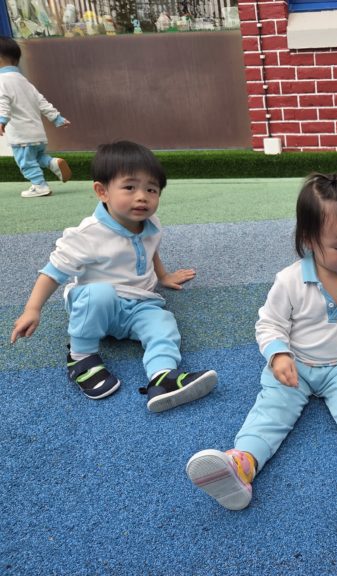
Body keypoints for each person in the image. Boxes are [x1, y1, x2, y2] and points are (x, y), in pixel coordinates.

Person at [186, 173, 337, 510]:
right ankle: (242, 464)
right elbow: (269, 323)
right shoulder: (290, 280)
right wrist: (278, 354)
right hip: (295, 365)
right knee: (271, 410)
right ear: (309, 239)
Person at [10, 140, 217, 413]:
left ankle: (162, 376)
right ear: (102, 191)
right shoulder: (88, 234)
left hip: (140, 304)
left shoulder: (151, 224)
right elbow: (53, 272)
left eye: (151, 189)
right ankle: (81, 357)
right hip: (96, 306)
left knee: (163, 323)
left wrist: (163, 276)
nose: (142, 197)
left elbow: (150, 248)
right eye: (129, 187)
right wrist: (32, 309)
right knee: (100, 293)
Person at [0, 36, 72, 198]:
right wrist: (57, 118)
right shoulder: (24, 81)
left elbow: (2, 101)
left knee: (25, 162)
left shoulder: (1, 81)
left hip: (22, 136)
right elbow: (41, 101)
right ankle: (53, 163)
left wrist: (2, 120)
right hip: (38, 134)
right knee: (37, 157)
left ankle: (39, 186)